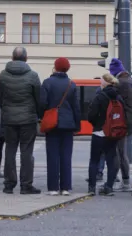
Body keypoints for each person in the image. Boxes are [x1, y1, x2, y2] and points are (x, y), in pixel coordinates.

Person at [0, 47, 42, 195]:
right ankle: (26, 185)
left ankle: (8, 185)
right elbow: (38, 99)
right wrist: (38, 114)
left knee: (10, 150)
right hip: (28, 119)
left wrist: (6, 109)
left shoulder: (3, 75)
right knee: (26, 152)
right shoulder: (33, 76)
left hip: (9, 119)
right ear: (26, 58)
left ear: (12, 58)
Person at [40, 57, 80, 196]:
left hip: (52, 123)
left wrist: (43, 116)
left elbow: (42, 103)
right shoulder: (71, 84)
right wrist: (77, 126)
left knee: (52, 155)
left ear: (55, 67)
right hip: (68, 124)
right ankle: (65, 187)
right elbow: (76, 107)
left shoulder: (47, 82)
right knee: (66, 156)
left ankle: (53, 188)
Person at [87, 73, 128, 196]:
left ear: (105, 82)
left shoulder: (100, 97)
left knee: (94, 160)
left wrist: (97, 125)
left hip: (99, 132)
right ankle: (109, 187)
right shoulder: (118, 97)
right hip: (113, 133)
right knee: (111, 160)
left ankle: (92, 188)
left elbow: (91, 115)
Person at [109, 58, 132, 191]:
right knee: (120, 151)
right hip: (128, 120)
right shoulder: (129, 81)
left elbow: (124, 104)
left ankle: (123, 181)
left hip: (122, 121)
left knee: (119, 152)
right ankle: (122, 180)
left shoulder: (122, 83)